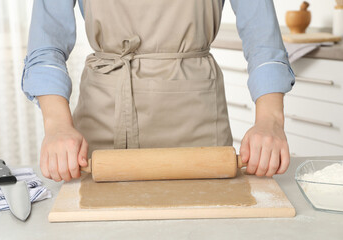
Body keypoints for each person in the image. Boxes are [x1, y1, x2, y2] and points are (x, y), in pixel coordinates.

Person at [22, 0, 295, 182]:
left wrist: (270, 121)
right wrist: (57, 126)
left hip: (197, 125)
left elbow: (264, 43)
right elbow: (46, 47)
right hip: (102, 125)